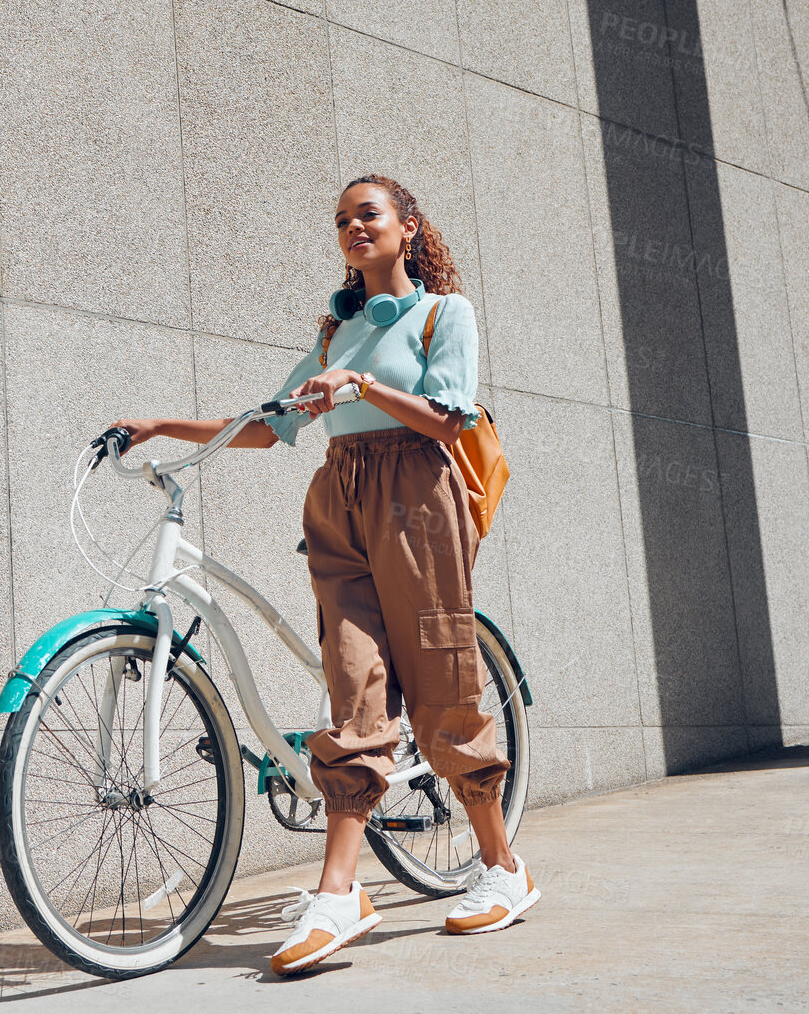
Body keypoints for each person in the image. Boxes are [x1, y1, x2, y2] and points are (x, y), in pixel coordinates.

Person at [109, 174, 537, 976]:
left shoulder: (446, 313)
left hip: (418, 492)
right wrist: (162, 422)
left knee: (443, 684)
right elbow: (268, 428)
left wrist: (363, 384)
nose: (352, 227)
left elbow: (453, 415)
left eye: (366, 214)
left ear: (408, 227)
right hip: (339, 498)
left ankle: (503, 868)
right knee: (354, 685)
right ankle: (341, 894)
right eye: (341, 220)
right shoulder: (337, 334)